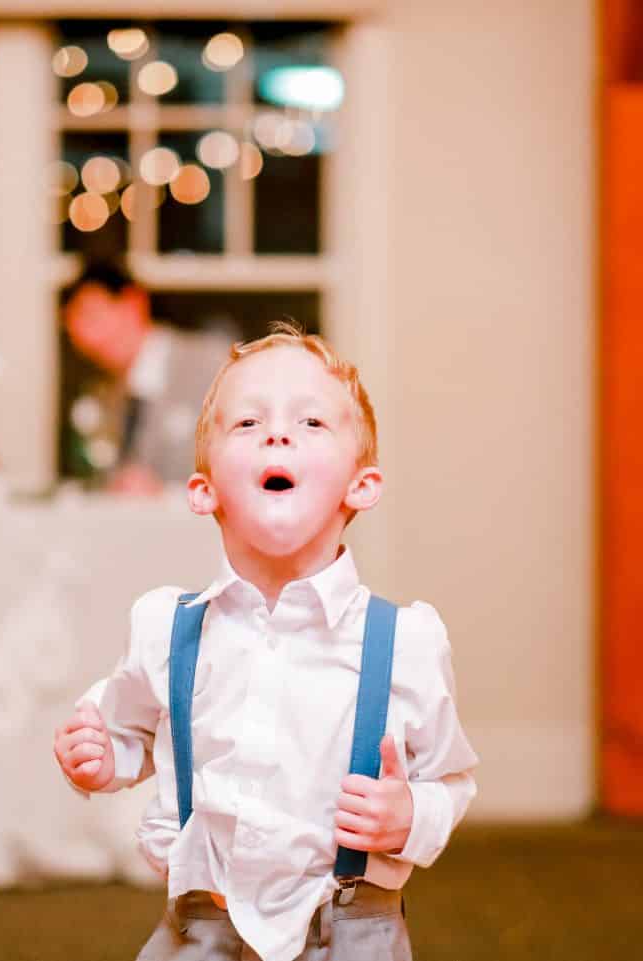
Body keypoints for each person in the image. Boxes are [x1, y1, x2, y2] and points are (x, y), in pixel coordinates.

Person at [53, 323, 478, 961]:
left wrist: (410, 814)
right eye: (248, 424)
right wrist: (101, 754)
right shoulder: (166, 627)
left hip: (352, 932)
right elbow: (130, 729)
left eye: (311, 424)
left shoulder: (405, 642)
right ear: (205, 491)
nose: (278, 433)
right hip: (200, 929)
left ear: (360, 485)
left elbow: (450, 781)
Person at [62, 262, 231, 494]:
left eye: (93, 317)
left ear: (134, 303)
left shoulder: (213, 367)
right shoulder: (102, 396)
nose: (89, 336)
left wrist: (166, 491)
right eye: (75, 326)